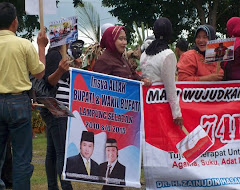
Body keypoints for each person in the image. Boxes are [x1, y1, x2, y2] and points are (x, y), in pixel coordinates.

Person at [0, 2, 48, 190]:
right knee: (21, 158)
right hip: (18, 102)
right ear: (14, 23)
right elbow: (39, 73)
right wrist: (41, 47)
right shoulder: (23, 44)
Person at [40, 44, 73, 190]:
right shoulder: (55, 55)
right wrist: (61, 70)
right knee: (61, 151)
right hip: (56, 108)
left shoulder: (59, 56)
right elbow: (49, 81)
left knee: (53, 151)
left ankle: (52, 186)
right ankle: (66, 186)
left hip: (56, 108)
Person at [140, 17, 183, 127]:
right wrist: (176, 113)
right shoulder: (168, 55)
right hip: (162, 106)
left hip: (147, 105)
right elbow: (170, 87)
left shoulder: (144, 54)